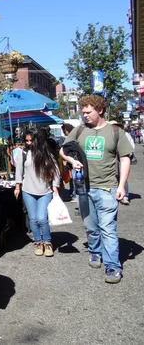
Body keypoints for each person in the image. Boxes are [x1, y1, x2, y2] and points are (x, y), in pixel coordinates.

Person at [60, 95, 132, 284]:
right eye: (82, 112)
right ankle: (94, 251)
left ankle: (113, 266)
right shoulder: (79, 130)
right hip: (83, 187)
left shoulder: (115, 132)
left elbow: (125, 158)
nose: (84, 115)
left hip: (107, 187)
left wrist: (122, 185)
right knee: (91, 226)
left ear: (99, 110)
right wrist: (71, 160)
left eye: (88, 112)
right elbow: (63, 149)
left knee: (107, 228)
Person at [14, 128, 61, 257]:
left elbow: (56, 171)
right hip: (28, 190)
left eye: (31, 140)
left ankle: (47, 242)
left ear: (38, 140)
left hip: (45, 191)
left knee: (42, 218)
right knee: (33, 219)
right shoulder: (22, 153)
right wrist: (17, 186)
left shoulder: (47, 154)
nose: (29, 143)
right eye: (26, 140)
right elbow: (19, 170)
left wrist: (55, 186)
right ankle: (38, 242)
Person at [109, 121, 135, 206]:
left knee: (123, 176)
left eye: (115, 125)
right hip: (112, 158)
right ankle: (114, 193)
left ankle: (125, 196)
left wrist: (127, 154)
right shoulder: (108, 134)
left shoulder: (125, 134)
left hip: (122, 157)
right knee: (113, 175)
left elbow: (131, 144)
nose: (114, 127)